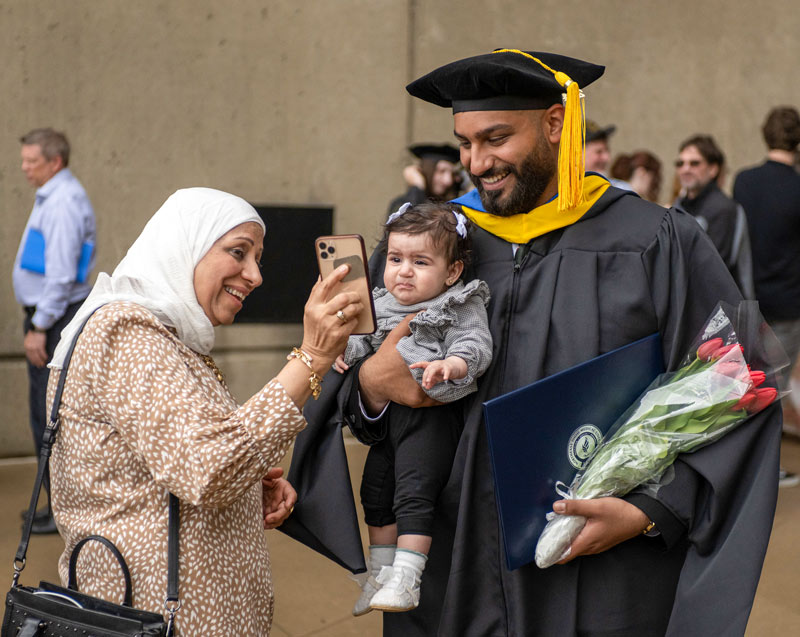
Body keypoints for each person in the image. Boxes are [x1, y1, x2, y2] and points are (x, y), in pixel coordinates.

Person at [287, 49, 782, 636]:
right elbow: (348, 395)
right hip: (452, 563)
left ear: (555, 123)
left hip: (597, 571)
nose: (478, 162)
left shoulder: (653, 240)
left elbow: (738, 384)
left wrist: (648, 510)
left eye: (496, 138)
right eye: (465, 143)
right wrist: (369, 387)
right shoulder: (433, 244)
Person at [47, 188, 364, 635]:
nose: (254, 274)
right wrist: (311, 357)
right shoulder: (125, 331)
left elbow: (178, 467)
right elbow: (207, 469)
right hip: (155, 616)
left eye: (258, 257)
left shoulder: (169, 338)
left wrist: (248, 488)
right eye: (238, 252)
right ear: (185, 246)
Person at [333, 201, 492, 616]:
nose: (404, 270)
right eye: (396, 258)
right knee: (375, 493)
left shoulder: (460, 303)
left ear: (452, 271)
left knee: (413, 496)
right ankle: (381, 574)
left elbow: (475, 345)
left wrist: (451, 364)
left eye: (420, 261)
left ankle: (408, 576)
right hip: (390, 425)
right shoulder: (381, 302)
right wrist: (342, 350)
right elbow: (362, 343)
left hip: (431, 420)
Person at [12, 128, 96, 534]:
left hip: (54, 317)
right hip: (51, 315)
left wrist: (39, 326)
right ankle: (54, 504)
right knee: (44, 413)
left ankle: (60, 509)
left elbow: (61, 276)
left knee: (46, 415)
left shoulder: (63, 201)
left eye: (32, 161)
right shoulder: (54, 194)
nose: (24, 168)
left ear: (55, 161)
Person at [734, 106, 800, 487]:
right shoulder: (796, 186)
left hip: (749, 300)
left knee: (751, 386)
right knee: (775, 387)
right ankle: (764, 473)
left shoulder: (744, 181)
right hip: (789, 304)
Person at [674, 134, 755, 299]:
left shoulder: (724, 209)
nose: (685, 169)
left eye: (694, 163)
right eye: (680, 163)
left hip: (723, 310)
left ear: (713, 169)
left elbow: (713, 266)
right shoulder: (679, 205)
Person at [387, 143, 464, 215]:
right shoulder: (400, 204)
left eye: (452, 174)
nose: (448, 181)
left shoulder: (456, 209)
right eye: (441, 171)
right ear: (428, 171)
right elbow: (407, 225)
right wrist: (417, 187)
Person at [584, 119, 631, 189]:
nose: (607, 158)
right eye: (599, 152)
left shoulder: (620, 189)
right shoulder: (564, 192)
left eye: (607, 150)